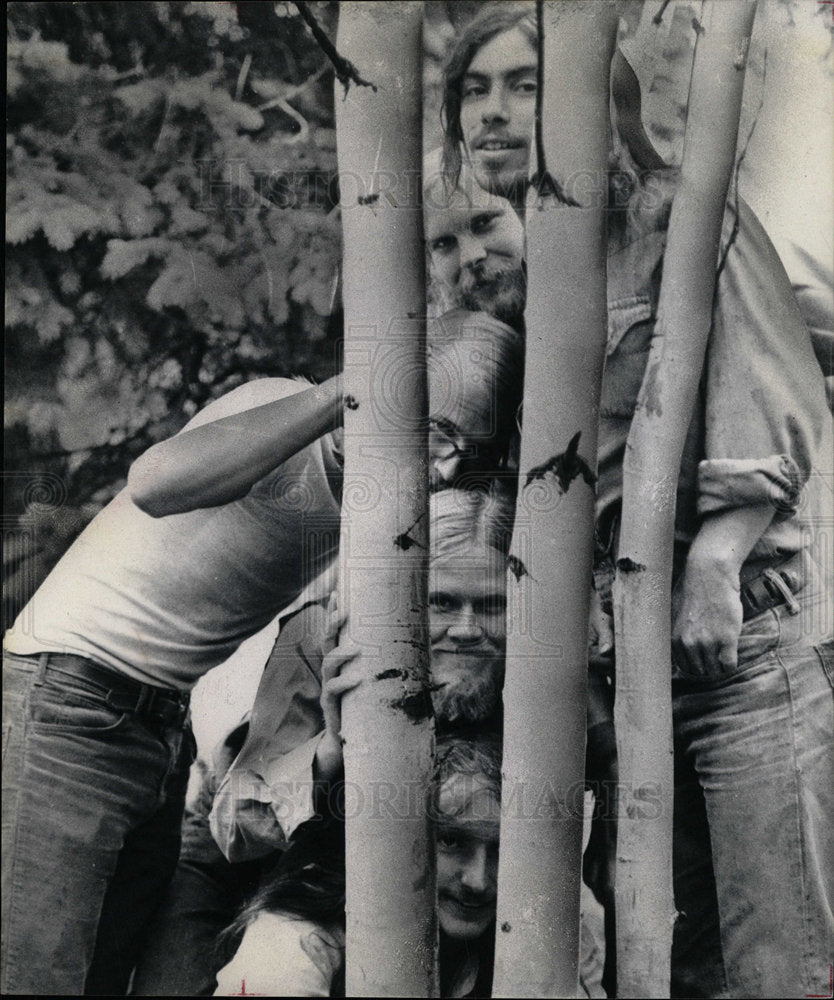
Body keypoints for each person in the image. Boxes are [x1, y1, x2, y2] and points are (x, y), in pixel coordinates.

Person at [437, 8, 834, 998]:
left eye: (523, 84)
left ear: (596, 100)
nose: (495, 111)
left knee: (778, 959)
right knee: (669, 961)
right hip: (622, 667)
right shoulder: (531, 275)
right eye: (475, 91)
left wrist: (715, 560)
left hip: (738, 642)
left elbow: (774, 394)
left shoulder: (692, 218)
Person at [1, 309, 521, 996]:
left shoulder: (385, 516)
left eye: (469, 447)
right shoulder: (277, 408)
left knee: (99, 975)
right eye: (437, 428)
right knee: (30, 973)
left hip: (156, 727)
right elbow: (153, 482)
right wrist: (348, 390)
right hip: (67, 696)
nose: (448, 462)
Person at [214, 733, 604, 999]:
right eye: (452, 841)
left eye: (504, 849)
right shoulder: (298, 937)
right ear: (400, 838)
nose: (478, 880)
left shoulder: (527, 941)